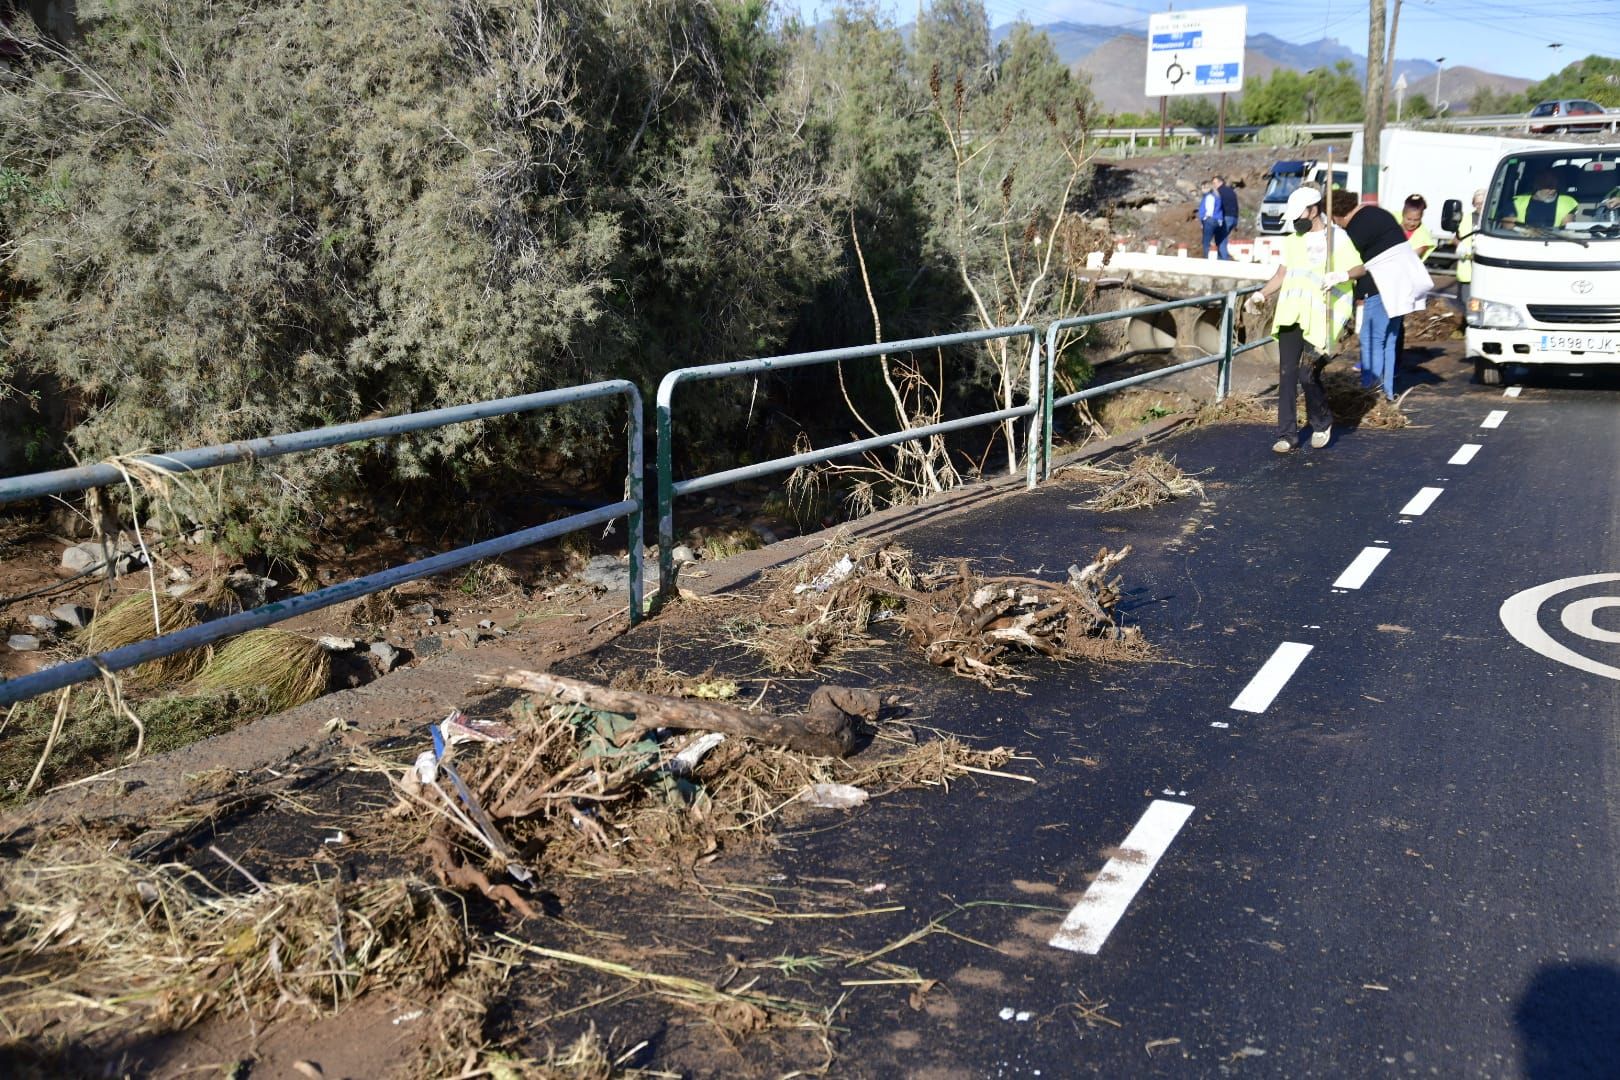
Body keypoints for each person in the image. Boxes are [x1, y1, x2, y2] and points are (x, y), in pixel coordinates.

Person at [1245, 187, 1356, 453]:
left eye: (1300, 215)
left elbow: (1359, 267)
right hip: (1290, 315)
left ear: (1314, 209)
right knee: (1287, 374)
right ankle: (1287, 434)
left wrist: (1341, 275)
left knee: (1308, 374)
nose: (1297, 222)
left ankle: (1321, 422)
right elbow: (1282, 274)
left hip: (1319, 319)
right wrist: (1261, 294)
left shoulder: (1336, 239)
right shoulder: (1292, 240)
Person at [1329, 190, 1433, 402]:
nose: (1336, 224)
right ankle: (1386, 392)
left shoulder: (1357, 226)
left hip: (1383, 288)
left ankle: (1370, 393)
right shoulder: (1378, 214)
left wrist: (1342, 275)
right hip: (1404, 283)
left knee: (1371, 338)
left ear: (1340, 214)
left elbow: (1362, 266)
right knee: (1389, 340)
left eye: (1334, 219)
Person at [1504, 169, 1578, 229]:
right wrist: (1524, 231)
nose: (1553, 191)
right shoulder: (1517, 202)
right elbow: (1508, 224)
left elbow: (1567, 227)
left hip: (1554, 242)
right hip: (1520, 241)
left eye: (1555, 188)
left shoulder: (1567, 202)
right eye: (1549, 188)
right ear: (1537, 187)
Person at [1456, 188, 1484, 312]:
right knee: (1467, 305)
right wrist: (1460, 245)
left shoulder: (1493, 219)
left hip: (1485, 269)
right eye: (1477, 203)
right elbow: (1456, 237)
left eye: (1482, 203)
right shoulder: (1467, 218)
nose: (1479, 206)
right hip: (1467, 271)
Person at [1213, 175, 1239, 260]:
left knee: (1221, 238)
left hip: (1226, 217)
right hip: (1233, 217)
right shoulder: (1231, 191)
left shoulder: (1219, 192)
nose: (1213, 185)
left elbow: (1219, 206)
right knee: (1223, 238)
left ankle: (1223, 260)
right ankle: (1223, 257)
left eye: (1214, 183)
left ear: (1220, 182)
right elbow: (1236, 205)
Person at [1403, 194, 1435, 260]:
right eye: (1409, 219)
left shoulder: (1424, 238)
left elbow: (1411, 260)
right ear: (1403, 214)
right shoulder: (1392, 221)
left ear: (1422, 216)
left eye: (1416, 220)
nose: (1412, 223)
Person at [1197, 181, 1221, 257]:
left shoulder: (1209, 197)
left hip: (1210, 221)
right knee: (1215, 241)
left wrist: (1204, 219)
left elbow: (1209, 211)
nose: (1201, 190)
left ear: (1207, 188)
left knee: (1206, 242)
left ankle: (1207, 258)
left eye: (1203, 188)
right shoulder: (1216, 196)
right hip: (1217, 221)